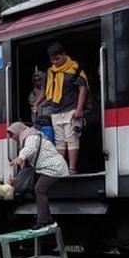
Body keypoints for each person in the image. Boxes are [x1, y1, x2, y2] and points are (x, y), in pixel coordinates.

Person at [29, 42, 89, 175]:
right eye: (52, 59)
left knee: (71, 138)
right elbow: (45, 91)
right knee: (59, 141)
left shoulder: (74, 68)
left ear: (64, 55)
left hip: (71, 110)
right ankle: (62, 168)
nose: (55, 62)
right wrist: (36, 103)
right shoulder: (51, 72)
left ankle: (72, 168)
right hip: (55, 111)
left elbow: (82, 89)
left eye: (57, 59)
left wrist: (79, 109)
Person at [7, 121, 69, 229]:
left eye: (13, 135)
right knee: (35, 188)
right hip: (46, 168)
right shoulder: (28, 137)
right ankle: (48, 220)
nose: (13, 138)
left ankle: (43, 221)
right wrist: (17, 181)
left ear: (18, 132)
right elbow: (26, 171)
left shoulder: (30, 137)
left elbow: (30, 148)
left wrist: (20, 157)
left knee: (39, 189)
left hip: (53, 167)